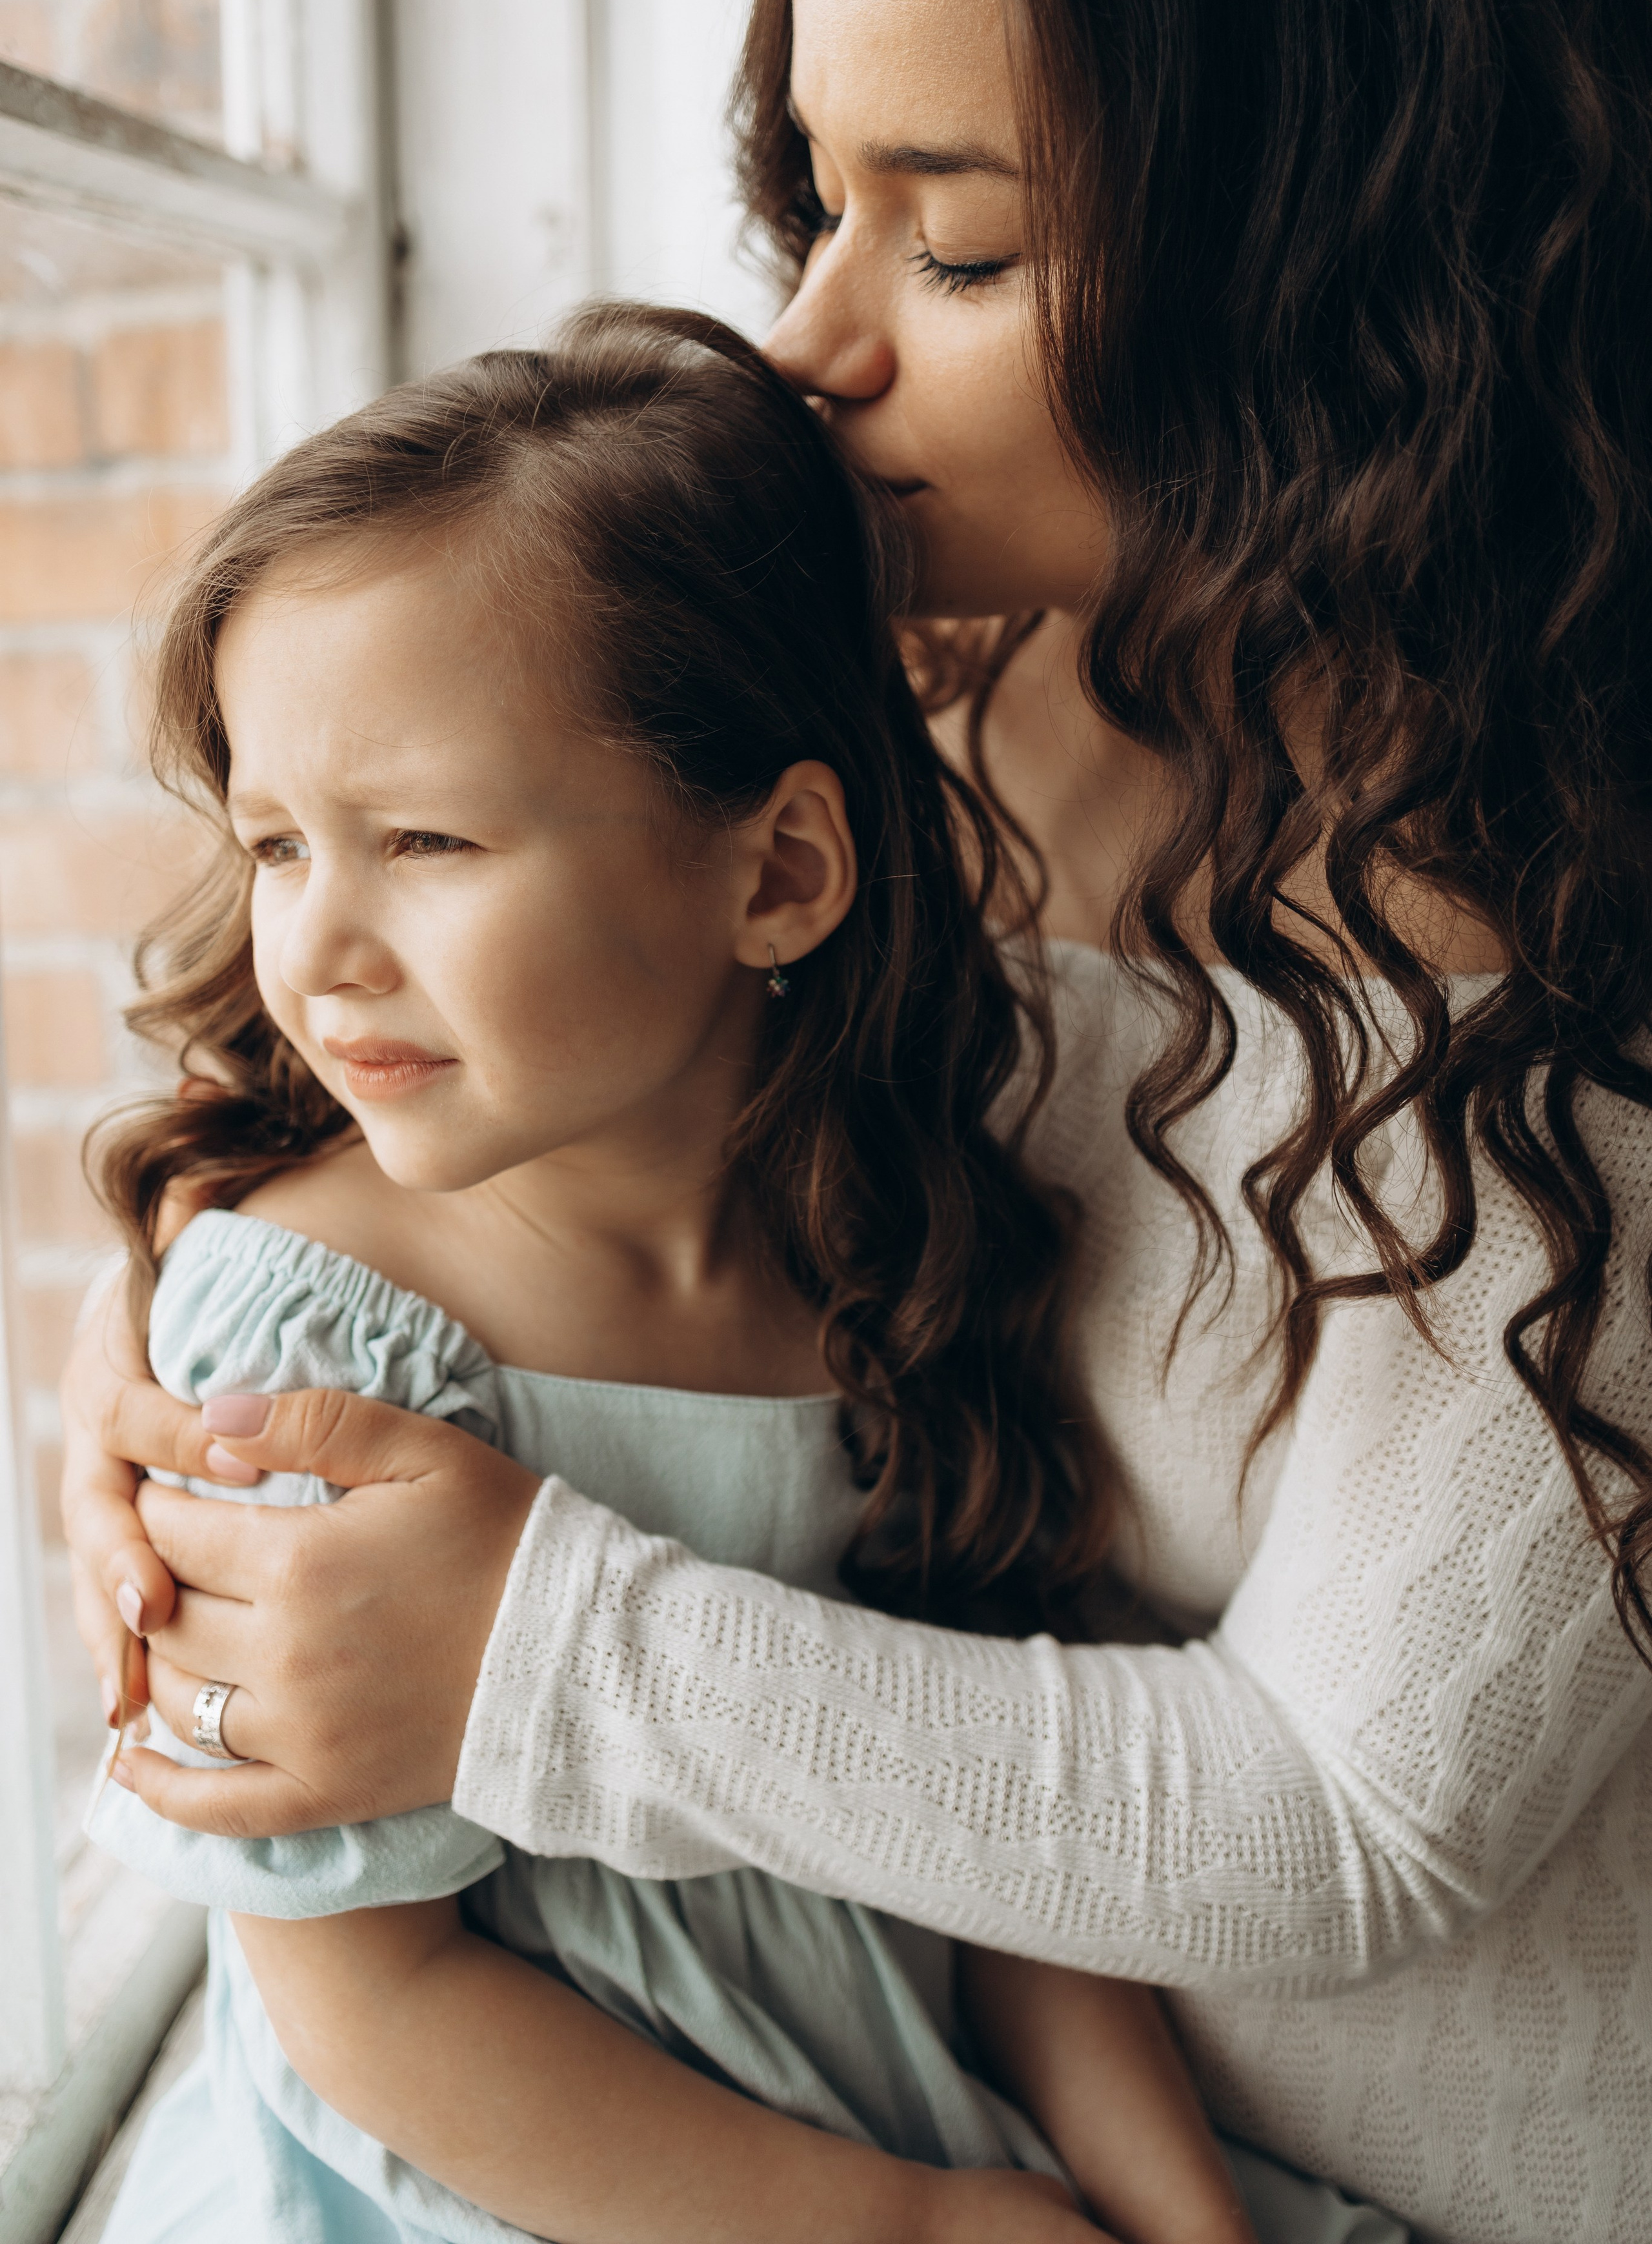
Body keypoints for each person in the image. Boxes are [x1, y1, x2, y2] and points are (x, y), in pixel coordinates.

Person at [62, 0, 1652, 2238]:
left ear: (1333, 266)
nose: (810, 345)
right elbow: (399, 1011)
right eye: (818, 198)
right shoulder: (890, 676)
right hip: (916, 2099)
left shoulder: (1574, 950)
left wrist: (522, 1644)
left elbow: (1354, 1819)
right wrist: (176, 1368)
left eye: (967, 252)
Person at [85, 303, 1292, 2244]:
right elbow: (368, 2001)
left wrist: (1178, 2221)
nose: (317, 948)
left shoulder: (890, 1266)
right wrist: (910, 2231)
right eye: (275, 846)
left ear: (778, 874)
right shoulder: (315, 1343)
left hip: (903, 2142)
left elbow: (998, 1858)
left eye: (424, 839)